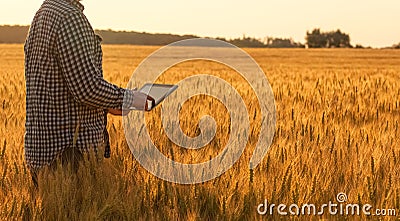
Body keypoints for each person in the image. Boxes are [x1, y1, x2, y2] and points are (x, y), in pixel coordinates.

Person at [24, 0, 152, 185]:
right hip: (70, 155)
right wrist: (130, 99)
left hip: (43, 152)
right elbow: (87, 88)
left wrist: (109, 105)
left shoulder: (44, 13)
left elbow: (58, 87)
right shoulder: (69, 17)